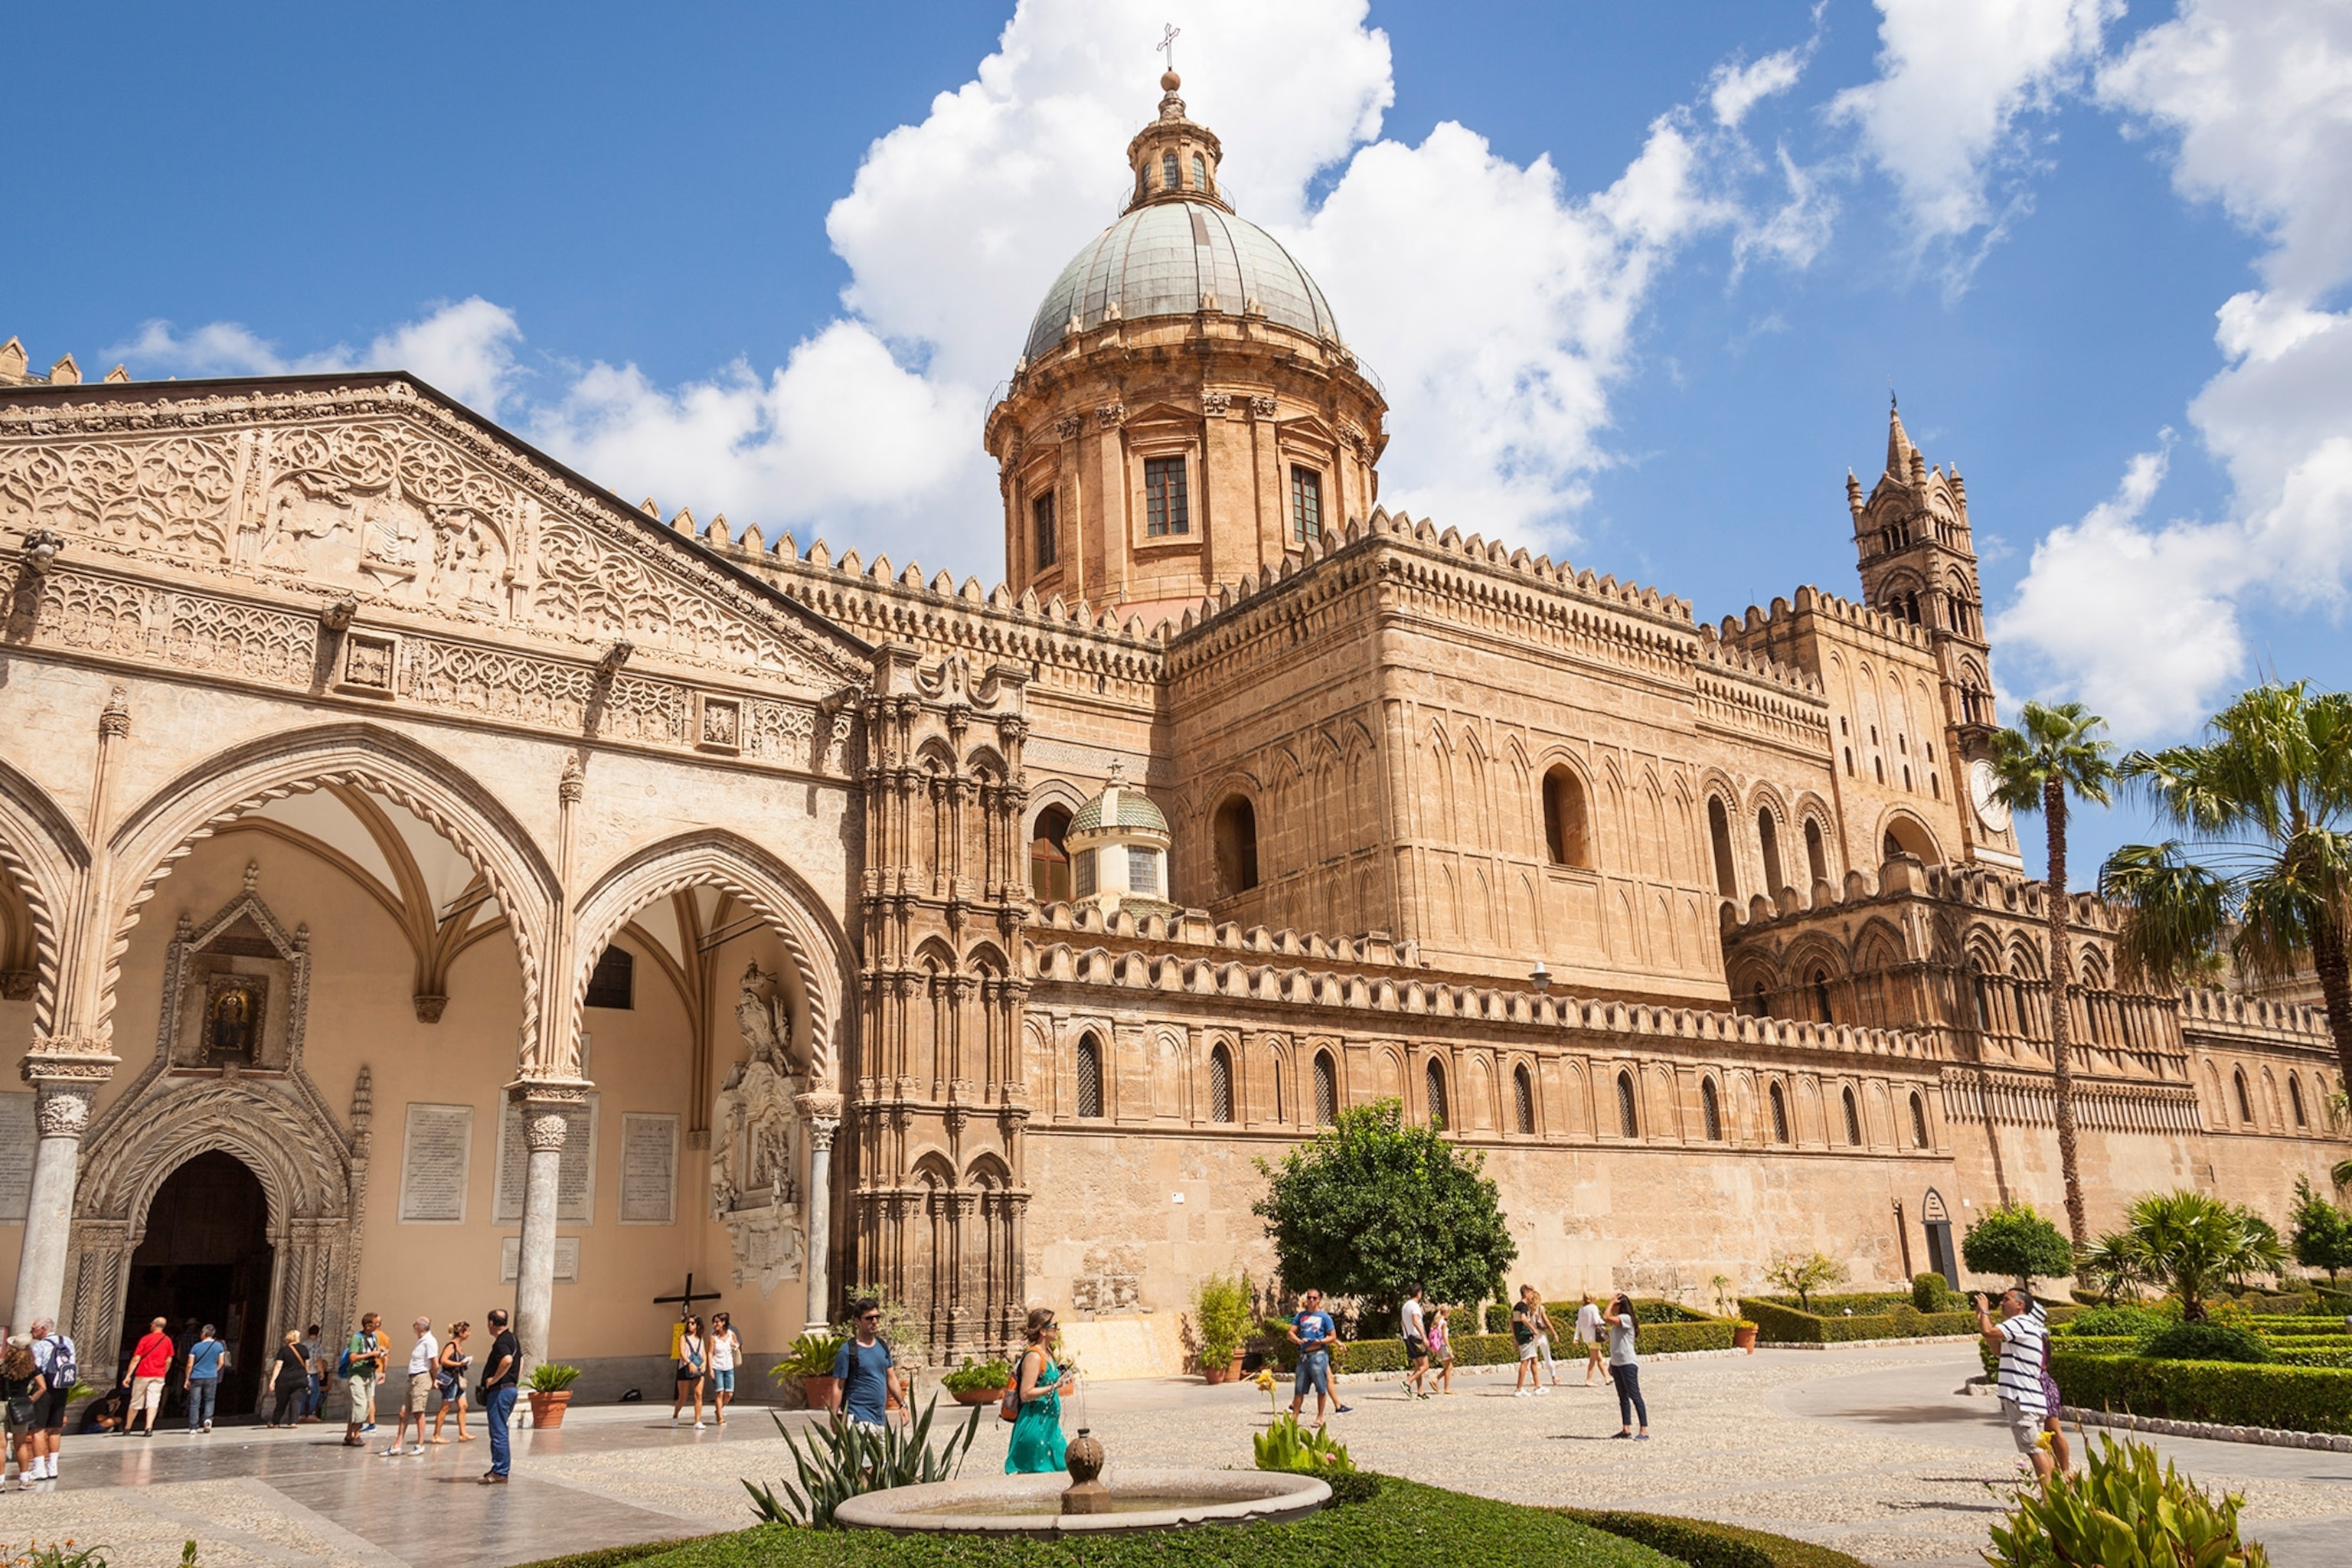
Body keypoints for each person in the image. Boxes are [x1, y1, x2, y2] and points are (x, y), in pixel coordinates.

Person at [1975, 1289, 2053, 1484]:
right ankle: (2054, 1495)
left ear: (2020, 1305)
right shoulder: (2024, 1326)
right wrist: (1983, 1320)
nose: (2001, 1303)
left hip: (2022, 1397)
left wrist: (1985, 1313)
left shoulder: (2020, 1323)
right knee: (2038, 1448)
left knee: (2034, 1450)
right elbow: (1999, 1352)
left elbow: (1989, 1331)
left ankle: (2049, 1500)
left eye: (2006, 1300)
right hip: (2029, 1397)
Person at [1004, 1307, 1075, 1475]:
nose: (1058, 1329)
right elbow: (1026, 1393)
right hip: (1034, 1426)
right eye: (1055, 1325)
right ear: (1043, 1330)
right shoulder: (1034, 1356)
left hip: (1050, 1426)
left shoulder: (1048, 1353)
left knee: (1063, 1469)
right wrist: (1054, 1386)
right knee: (1035, 1476)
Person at [831, 1298, 903, 1432]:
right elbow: (838, 1385)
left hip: (880, 1419)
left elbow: (891, 1377)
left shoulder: (882, 1346)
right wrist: (834, 1416)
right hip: (858, 1418)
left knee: (881, 1453)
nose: (874, 1321)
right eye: (869, 1318)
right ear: (857, 1321)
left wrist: (902, 1405)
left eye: (877, 1317)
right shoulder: (847, 1351)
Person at [1285, 1289, 1351, 1424]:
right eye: (1309, 1298)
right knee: (1299, 1389)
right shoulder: (1301, 1316)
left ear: (1319, 1300)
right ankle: (1294, 1418)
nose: (1311, 1300)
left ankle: (1320, 1417)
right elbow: (1290, 1333)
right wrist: (1297, 1340)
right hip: (1304, 1356)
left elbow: (1332, 1336)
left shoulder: (1325, 1317)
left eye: (1314, 1298)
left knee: (1321, 1387)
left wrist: (1320, 1342)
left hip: (1319, 1355)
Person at [28, 1317, 75, 1481]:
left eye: (34, 1328)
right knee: (55, 1428)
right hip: (62, 1388)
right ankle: (53, 1467)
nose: (31, 1331)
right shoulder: (67, 1341)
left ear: (43, 1329)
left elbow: (36, 1368)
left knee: (38, 1429)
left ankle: (39, 1468)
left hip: (45, 1389)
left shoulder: (40, 1346)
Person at [383, 1317, 436, 1456]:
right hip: (413, 1378)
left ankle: (420, 1444)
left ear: (419, 1327)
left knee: (418, 1412)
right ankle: (397, 1445)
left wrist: (434, 1380)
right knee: (403, 1413)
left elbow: (434, 1363)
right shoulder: (420, 1341)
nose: (413, 1327)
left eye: (415, 1325)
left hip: (422, 1377)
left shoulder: (429, 1341)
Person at [479, 1308, 519, 1485]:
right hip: (509, 1388)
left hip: (501, 1390)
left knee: (498, 1431)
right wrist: (515, 1379)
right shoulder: (512, 1338)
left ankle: (501, 1471)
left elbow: (508, 1360)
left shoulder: (501, 1342)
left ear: (491, 1323)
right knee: (500, 1429)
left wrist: (494, 1379)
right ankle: (498, 1468)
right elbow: (521, 1360)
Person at [2, 1336, 46, 1490]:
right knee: (20, 1444)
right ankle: (24, 1478)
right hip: (20, 1405)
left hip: (1, 1405)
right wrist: (31, 1399)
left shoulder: (3, 1366)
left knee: (1, 1446)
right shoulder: (31, 1368)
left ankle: (0, 1482)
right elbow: (42, 1387)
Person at [1604, 1293, 1648, 1439]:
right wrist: (1612, 1362)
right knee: (1622, 1397)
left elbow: (1606, 1317)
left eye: (1616, 1305)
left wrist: (1610, 1303)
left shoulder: (1626, 1319)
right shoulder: (1618, 1324)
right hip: (1617, 1363)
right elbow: (1616, 1344)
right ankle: (1626, 1428)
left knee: (1635, 1396)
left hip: (1628, 1362)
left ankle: (1644, 1430)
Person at [123, 1316, 175, 1436]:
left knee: (136, 1400)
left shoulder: (145, 1339)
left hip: (143, 1373)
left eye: (151, 1324)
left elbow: (136, 1358)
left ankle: (128, 1427)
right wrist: (164, 1372)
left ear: (155, 1325)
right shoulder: (167, 1340)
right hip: (158, 1375)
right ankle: (149, 1428)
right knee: (153, 1401)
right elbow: (169, 1360)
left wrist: (128, 1375)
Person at [343, 1312, 387, 1449]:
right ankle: (356, 1436)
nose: (378, 1326)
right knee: (360, 1404)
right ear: (368, 1325)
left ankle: (349, 1435)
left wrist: (379, 1352)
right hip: (357, 1375)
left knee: (365, 1405)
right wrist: (371, 1354)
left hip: (369, 1375)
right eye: (375, 1324)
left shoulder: (374, 1337)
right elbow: (353, 1358)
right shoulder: (357, 1338)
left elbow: (374, 1352)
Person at [432, 1321, 473, 1443]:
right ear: (461, 1333)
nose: (469, 1334)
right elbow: (443, 1360)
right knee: (445, 1407)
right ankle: (436, 1435)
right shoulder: (451, 1346)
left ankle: (463, 1433)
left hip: (458, 1379)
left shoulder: (459, 1346)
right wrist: (459, 1364)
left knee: (463, 1405)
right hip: (450, 1380)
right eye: (468, 1331)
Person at [183, 1323, 226, 1433]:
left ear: (203, 1334)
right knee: (209, 1400)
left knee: (194, 1402)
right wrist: (214, 1370)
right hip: (211, 1376)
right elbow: (221, 1362)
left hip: (196, 1376)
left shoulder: (196, 1347)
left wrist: (187, 1378)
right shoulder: (219, 1346)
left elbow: (189, 1364)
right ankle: (208, 1419)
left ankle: (193, 1426)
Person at [670, 1313, 708, 1429]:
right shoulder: (684, 1337)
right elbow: (682, 1352)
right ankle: (675, 1415)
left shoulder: (700, 1339)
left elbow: (703, 1353)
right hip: (685, 1367)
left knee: (699, 1394)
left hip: (697, 1367)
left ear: (698, 1325)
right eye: (689, 1323)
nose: (690, 1325)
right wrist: (689, 1363)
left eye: (693, 1323)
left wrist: (704, 1364)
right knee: (683, 1397)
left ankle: (698, 1420)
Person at [707, 1312, 742, 1427]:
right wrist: (710, 1369)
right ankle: (720, 1417)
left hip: (729, 1367)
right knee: (719, 1392)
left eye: (717, 1322)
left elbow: (738, 1345)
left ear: (724, 1322)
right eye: (714, 1322)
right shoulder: (713, 1338)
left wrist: (734, 1345)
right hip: (717, 1367)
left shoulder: (731, 1334)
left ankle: (718, 1410)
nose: (715, 1324)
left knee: (729, 1394)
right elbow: (710, 1353)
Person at [268, 1331, 308, 1427]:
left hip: (285, 1379)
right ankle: (293, 1422)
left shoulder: (284, 1350)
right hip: (300, 1378)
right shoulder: (304, 1349)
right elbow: (307, 1365)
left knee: (282, 1401)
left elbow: (278, 1366)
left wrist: (273, 1380)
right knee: (296, 1400)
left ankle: (275, 1422)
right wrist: (304, 1374)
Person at [1511, 1289, 1547, 1397]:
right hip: (1526, 1336)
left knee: (1534, 1359)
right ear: (1526, 1294)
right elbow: (1523, 1319)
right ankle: (1519, 1389)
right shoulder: (1523, 1307)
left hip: (1522, 1336)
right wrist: (1532, 1328)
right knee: (1525, 1361)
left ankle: (1538, 1386)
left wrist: (1515, 1337)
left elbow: (1512, 1322)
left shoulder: (1516, 1306)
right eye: (1531, 1293)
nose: (1532, 1296)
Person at [1400, 1285, 1431, 1400]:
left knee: (1418, 1367)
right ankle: (1408, 1382)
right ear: (1419, 1293)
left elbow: (1402, 1322)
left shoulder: (1405, 1306)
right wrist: (1424, 1337)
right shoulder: (1415, 1306)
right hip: (1416, 1338)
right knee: (1425, 1366)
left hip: (1408, 1337)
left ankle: (1420, 1391)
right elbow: (1416, 1322)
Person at [1575, 1293, 1612, 1386]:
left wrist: (1576, 1337)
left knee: (1599, 1358)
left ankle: (1607, 1377)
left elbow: (1578, 1324)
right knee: (1593, 1359)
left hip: (1587, 1337)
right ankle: (1589, 1380)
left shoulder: (1581, 1309)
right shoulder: (1593, 1307)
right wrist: (1607, 1321)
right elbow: (1596, 1320)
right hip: (1594, 1336)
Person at [1528, 1288, 1561, 1388]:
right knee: (1547, 1357)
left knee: (1532, 1359)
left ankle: (1532, 1379)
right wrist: (1554, 1333)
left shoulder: (1527, 1309)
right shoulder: (1541, 1308)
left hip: (1532, 1335)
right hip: (1541, 1335)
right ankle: (1554, 1377)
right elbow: (1546, 1321)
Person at [1427, 1303, 1455, 1395]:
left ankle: (1436, 1380)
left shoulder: (1437, 1322)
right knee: (1448, 1367)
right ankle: (1446, 1388)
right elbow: (1445, 1337)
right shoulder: (1444, 1323)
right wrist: (1450, 1348)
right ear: (1446, 1313)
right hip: (1444, 1346)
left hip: (1440, 1346)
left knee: (1449, 1367)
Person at [299, 1324, 325, 1423]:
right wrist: (321, 1371)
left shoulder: (303, 1344)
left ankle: (301, 1414)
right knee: (315, 1392)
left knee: (303, 1393)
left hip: (303, 1371)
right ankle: (311, 1413)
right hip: (312, 1371)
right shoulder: (316, 1344)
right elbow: (318, 1359)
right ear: (318, 1333)